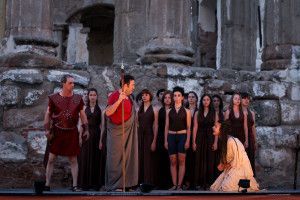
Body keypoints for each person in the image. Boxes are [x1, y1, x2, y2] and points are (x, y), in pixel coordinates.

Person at [44, 74, 89, 192]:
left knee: (73, 159)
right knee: (51, 158)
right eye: (70, 83)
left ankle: (75, 185)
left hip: (72, 131)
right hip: (57, 132)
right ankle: (47, 184)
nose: (73, 85)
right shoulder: (53, 98)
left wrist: (86, 129)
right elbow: (48, 114)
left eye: (73, 83)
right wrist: (47, 129)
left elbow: (82, 114)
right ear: (63, 83)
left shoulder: (78, 98)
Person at [105, 74, 138, 191]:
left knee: (128, 158)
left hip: (128, 132)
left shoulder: (130, 98)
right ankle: (115, 185)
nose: (134, 87)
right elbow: (108, 112)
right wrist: (119, 100)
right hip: (117, 132)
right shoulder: (115, 95)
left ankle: (127, 184)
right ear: (125, 85)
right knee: (115, 158)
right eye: (132, 85)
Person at [210, 120, 259, 192]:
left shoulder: (230, 141)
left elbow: (222, 165)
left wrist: (222, 165)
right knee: (215, 187)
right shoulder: (227, 140)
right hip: (231, 168)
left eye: (216, 126)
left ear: (221, 130)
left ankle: (244, 185)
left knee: (225, 187)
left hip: (239, 169)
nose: (213, 127)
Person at [164, 86, 191, 190]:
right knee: (173, 161)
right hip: (171, 136)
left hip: (182, 136)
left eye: (179, 95)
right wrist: (165, 141)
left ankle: (179, 185)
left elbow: (189, 127)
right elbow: (166, 126)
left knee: (182, 161)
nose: (176, 97)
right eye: (174, 95)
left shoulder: (187, 111)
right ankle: (174, 184)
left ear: (182, 97)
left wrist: (188, 140)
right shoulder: (168, 111)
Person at [78, 88, 104, 190]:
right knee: (84, 157)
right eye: (91, 95)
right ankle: (84, 184)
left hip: (96, 135)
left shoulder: (100, 110)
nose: (92, 97)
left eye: (94, 95)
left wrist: (101, 140)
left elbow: (102, 126)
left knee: (95, 158)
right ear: (88, 97)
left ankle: (94, 184)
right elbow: (81, 124)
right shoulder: (84, 108)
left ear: (97, 97)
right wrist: (80, 137)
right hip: (86, 135)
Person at [193, 94, 219, 190]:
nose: (206, 101)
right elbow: (195, 127)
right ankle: (199, 183)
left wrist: (216, 142)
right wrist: (193, 142)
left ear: (210, 101)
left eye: (208, 99)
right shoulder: (197, 113)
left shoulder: (214, 113)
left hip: (210, 137)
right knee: (199, 160)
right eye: (204, 100)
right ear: (201, 101)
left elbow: (216, 128)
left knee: (210, 160)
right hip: (199, 137)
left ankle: (209, 183)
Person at [137, 89, 158, 185]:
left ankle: (149, 182)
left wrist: (154, 141)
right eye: (143, 95)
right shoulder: (138, 110)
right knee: (140, 158)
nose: (144, 96)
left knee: (149, 158)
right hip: (140, 136)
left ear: (150, 96)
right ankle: (140, 182)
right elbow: (136, 124)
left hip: (149, 136)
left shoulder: (154, 109)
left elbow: (155, 126)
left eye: (146, 95)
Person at [156, 90, 173, 189]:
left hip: (171, 136)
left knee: (170, 160)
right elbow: (157, 125)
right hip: (161, 136)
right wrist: (155, 139)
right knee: (161, 159)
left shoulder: (174, 110)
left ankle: (170, 183)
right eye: (165, 97)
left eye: (169, 97)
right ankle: (161, 184)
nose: (167, 99)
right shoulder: (160, 110)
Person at [184, 91, 198, 190]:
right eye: (189, 97)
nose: (191, 99)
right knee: (187, 160)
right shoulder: (184, 110)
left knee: (195, 160)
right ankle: (187, 182)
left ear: (196, 99)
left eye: (193, 97)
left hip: (197, 137)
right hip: (185, 136)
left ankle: (195, 182)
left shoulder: (199, 110)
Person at [241, 92, 257, 176]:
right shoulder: (237, 112)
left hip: (250, 138)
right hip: (240, 137)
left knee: (250, 159)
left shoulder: (252, 113)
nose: (246, 100)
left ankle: (250, 181)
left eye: (248, 98)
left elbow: (253, 127)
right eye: (244, 98)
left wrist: (255, 141)